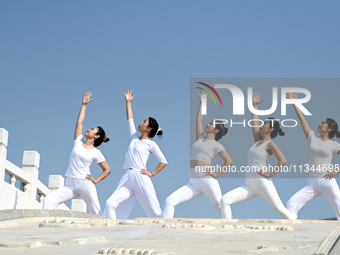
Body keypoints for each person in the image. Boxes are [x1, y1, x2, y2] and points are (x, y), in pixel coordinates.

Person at [220, 92, 294, 219]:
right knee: (225, 200)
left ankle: (300, 230)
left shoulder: (270, 144)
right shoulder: (257, 141)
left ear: (271, 129)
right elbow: (254, 123)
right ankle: (227, 227)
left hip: (262, 182)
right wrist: (254, 105)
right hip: (249, 183)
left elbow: (282, 160)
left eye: (265, 124)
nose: (262, 124)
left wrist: (270, 174)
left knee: (281, 210)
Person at [162, 91, 232, 218]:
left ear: (216, 130)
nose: (207, 124)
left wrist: (217, 174)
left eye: (211, 124)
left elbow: (228, 161)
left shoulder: (216, 144)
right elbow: (199, 121)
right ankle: (164, 233)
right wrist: (203, 104)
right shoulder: (200, 138)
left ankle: (234, 230)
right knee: (169, 201)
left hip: (207, 180)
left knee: (222, 208)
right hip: (193, 182)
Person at [103, 89, 167, 219]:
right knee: (110, 203)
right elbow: (130, 119)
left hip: (141, 177)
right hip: (128, 178)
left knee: (155, 211)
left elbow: (163, 161)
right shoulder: (134, 138)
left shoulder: (151, 144)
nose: (141, 123)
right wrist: (128, 102)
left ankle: (166, 233)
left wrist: (151, 173)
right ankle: (112, 232)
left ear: (149, 129)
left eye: (144, 122)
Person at [43, 92, 110, 215]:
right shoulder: (78, 142)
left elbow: (107, 170)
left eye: (92, 129)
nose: (88, 129)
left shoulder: (96, 152)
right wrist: (84, 105)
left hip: (85, 184)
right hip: (70, 184)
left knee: (97, 213)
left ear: (97, 136)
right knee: (48, 200)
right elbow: (79, 122)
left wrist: (96, 180)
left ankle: (108, 232)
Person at [286, 92, 340, 220]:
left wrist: (336, 171)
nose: (320, 124)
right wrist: (294, 102)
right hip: (311, 182)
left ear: (329, 129)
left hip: (327, 181)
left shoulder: (334, 144)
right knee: (291, 203)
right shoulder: (311, 138)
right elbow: (302, 119)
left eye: (323, 123)